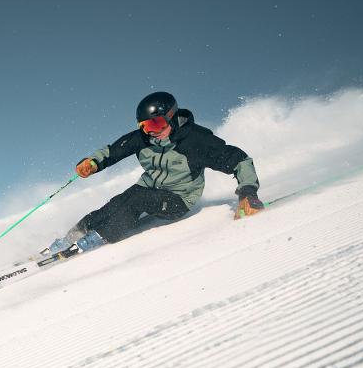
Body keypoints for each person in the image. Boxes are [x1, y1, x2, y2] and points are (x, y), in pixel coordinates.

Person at [48, 91, 265, 254]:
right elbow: (112, 151)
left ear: (171, 117)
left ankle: (93, 241)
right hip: (149, 187)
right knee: (115, 203)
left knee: (137, 200)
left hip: (178, 199)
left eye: (157, 124)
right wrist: (92, 163)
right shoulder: (143, 138)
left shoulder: (196, 141)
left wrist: (248, 193)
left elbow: (239, 161)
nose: (152, 132)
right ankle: (68, 239)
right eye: (145, 126)